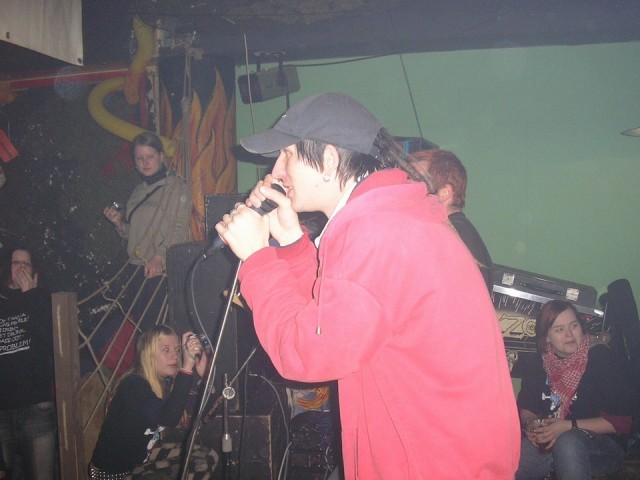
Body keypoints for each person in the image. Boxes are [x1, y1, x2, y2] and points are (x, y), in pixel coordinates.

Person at [215, 92, 520, 479]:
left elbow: (308, 353)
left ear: (328, 160)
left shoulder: (375, 231)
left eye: (287, 155)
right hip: (445, 459)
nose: (275, 170)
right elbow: (337, 319)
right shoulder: (387, 217)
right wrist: (292, 244)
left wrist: (258, 260)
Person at [515, 299, 633, 480]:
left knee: (568, 442)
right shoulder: (539, 363)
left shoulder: (602, 359)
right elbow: (527, 408)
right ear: (546, 337)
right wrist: (532, 425)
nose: (569, 334)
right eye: (559, 329)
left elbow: (622, 422)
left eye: (574, 326)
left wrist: (567, 427)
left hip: (600, 444)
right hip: (553, 439)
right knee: (517, 456)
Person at [89, 325, 209, 478]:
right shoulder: (133, 385)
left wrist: (206, 378)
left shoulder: (164, 383)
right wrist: (187, 368)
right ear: (148, 355)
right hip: (112, 475)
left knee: (204, 458)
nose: (175, 356)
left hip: (139, 466)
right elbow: (169, 418)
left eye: (178, 350)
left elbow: (205, 414)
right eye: (166, 350)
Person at [103, 132, 192, 329]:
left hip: (161, 270)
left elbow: (179, 227)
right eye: (139, 158)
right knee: (142, 330)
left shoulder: (177, 187)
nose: (145, 162)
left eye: (150, 156)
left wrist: (160, 258)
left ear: (161, 157)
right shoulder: (137, 191)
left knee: (158, 331)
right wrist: (119, 224)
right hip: (136, 268)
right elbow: (133, 234)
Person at [0, 247, 57, 480]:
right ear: (7, 266)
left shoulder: (42, 298)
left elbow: (52, 341)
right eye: (17, 262)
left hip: (36, 406)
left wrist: (31, 296)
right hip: (2, 408)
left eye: (27, 263)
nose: (22, 267)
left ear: (35, 271)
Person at [412, 149, 493, 291]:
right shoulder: (462, 230)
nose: (409, 188)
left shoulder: (448, 234)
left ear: (444, 193)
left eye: (417, 182)